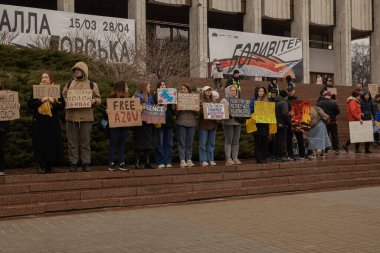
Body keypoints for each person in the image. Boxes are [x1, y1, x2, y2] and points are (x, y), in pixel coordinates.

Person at [63, 62, 101, 172]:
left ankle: (86, 163)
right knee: (72, 142)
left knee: (85, 142)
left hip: (86, 117)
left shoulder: (92, 84)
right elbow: (63, 96)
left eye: (78, 70)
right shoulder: (69, 83)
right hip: (71, 117)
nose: (76, 72)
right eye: (75, 70)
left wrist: (94, 101)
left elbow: (99, 99)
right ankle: (73, 163)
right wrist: (65, 100)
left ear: (84, 71)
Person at [28, 72, 65, 174]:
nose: (44, 79)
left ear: (50, 79)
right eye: (42, 77)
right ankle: (40, 165)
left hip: (52, 121)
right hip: (39, 121)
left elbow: (62, 106)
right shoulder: (36, 90)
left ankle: (49, 165)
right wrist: (41, 100)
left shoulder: (56, 90)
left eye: (46, 77)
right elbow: (30, 104)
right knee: (40, 143)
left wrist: (53, 101)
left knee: (50, 143)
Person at [133, 81, 157, 169]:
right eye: (148, 87)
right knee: (139, 143)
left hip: (148, 123)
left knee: (148, 143)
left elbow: (152, 107)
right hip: (139, 124)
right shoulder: (136, 97)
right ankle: (137, 162)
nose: (150, 88)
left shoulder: (150, 97)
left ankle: (147, 162)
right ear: (144, 88)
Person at [107, 81, 130, 171]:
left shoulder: (128, 99)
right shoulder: (112, 98)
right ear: (122, 88)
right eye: (126, 87)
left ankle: (121, 162)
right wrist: (107, 111)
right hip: (115, 124)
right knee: (113, 143)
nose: (128, 89)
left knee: (121, 144)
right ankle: (111, 163)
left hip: (124, 124)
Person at [154, 81, 174, 168]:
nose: (163, 86)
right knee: (160, 142)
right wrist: (158, 105)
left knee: (168, 142)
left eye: (164, 84)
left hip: (168, 121)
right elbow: (152, 109)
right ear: (158, 87)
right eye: (161, 85)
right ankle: (160, 161)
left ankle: (168, 161)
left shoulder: (170, 96)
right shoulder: (155, 96)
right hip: (159, 122)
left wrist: (171, 105)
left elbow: (173, 111)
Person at [176, 84, 197, 168]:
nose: (183, 90)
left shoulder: (194, 98)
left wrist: (195, 109)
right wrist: (178, 108)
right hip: (181, 122)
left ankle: (188, 159)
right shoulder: (178, 99)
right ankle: (182, 160)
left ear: (188, 90)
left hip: (191, 122)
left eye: (185, 89)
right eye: (182, 89)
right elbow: (176, 112)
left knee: (189, 143)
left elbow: (197, 112)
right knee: (182, 142)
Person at [220, 85, 242, 165]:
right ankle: (228, 158)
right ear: (228, 91)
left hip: (238, 122)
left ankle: (235, 157)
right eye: (232, 90)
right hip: (228, 123)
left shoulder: (239, 100)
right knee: (228, 140)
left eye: (235, 91)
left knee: (236, 141)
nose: (233, 92)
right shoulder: (224, 100)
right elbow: (222, 112)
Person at [250, 86, 269, 164]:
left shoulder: (267, 101)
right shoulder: (253, 101)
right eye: (260, 91)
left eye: (262, 91)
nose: (261, 93)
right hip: (257, 124)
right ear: (257, 92)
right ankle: (259, 158)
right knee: (258, 142)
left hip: (265, 123)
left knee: (264, 141)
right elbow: (251, 110)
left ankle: (264, 157)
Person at [199, 86, 218, 167]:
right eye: (207, 90)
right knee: (202, 144)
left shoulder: (214, 101)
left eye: (210, 90)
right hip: (204, 124)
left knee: (211, 144)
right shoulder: (200, 101)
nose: (208, 92)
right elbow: (199, 111)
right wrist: (206, 106)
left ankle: (211, 159)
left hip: (213, 124)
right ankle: (203, 160)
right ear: (203, 92)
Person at [286, 86, 306, 160]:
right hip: (289, 122)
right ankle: (290, 155)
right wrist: (288, 113)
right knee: (288, 139)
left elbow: (303, 112)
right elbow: (284, 111)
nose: (290, 92)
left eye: (291, 90)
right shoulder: (286, 100)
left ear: (294, 91)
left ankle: (302, 155)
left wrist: (295, 113)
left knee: (300, 138)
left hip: (297, 121)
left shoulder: (298, 100)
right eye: (288, 90)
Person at [273, 90, 291, 162]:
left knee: (277, 140)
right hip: (282, 124)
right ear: (285, 96)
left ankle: (276, 155)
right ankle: (281, 156)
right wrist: (288, 122)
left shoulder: (275, 102)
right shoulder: (283, 103)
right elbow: (284, 114)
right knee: (282, 140)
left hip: (276, 124)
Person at [0, 80, 10, 176]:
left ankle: (1, 168)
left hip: (2, 127)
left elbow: (10, 109)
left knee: (1, 149)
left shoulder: (6, 95)